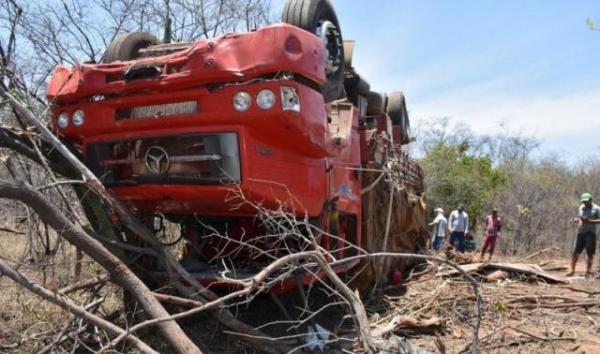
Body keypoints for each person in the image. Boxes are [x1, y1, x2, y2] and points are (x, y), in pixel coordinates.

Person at [566, 193, 600, 277]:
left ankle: (588, 271)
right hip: (580, 233)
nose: (585, 203)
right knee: (575, 252)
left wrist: (589, 221)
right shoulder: (581, 207)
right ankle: (572, 270)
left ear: (590, 200)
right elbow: (579, 217)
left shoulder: (597, 208)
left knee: (590, 253)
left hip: (590, 233)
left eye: (586, 201)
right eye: (583, 201)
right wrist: (576, 220)